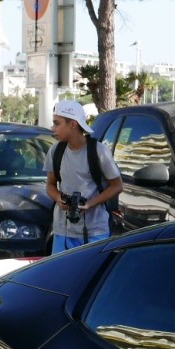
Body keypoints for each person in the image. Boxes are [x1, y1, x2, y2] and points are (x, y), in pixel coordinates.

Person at [43, 99, 123, 253]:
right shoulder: (55, 151)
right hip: (63, 231)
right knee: (63, 275)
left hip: (96, 231)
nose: (53, 129)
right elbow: (50, 185)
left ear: (73, 124)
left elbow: (117, 186)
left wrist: (90, 204)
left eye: (57, 123)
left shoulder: (99, 151)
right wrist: (58, 198)